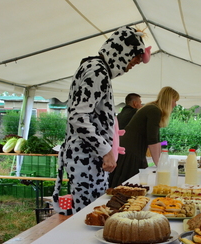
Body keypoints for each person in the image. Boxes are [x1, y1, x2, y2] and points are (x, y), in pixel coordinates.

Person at [52, 26, 149, 214]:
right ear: (122, 51)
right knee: (90, 215)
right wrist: (106, 151)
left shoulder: (95, 68)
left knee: (94, 213)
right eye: (133, 61)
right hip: (86, 158)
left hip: (87, 157)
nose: (130, 66)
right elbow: (78, 116)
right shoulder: (97, 72)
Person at [109, 86, 179, 188]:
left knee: (129, 185)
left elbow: (156, 139)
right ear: (168, 100)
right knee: (128, 186)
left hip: (133, 150)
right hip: (132, 151)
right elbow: (153, 140)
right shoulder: (154, 111)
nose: (175, 104)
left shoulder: (153, 108)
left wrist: (160, 163)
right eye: (174, 101)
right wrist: (159, 166)